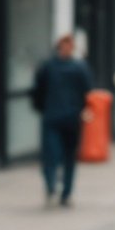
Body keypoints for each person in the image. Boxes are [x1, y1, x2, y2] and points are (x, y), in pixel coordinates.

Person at [29, 33, 93, 208]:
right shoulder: (48, 67)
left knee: (69, 157)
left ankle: (66, 192)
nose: (67, 48)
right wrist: (43, 109)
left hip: (71, 119)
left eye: (69, 45)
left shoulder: (79, 67)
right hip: (52, 118)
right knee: (52, 155)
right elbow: (38, 91)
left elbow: (88, 92)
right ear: (59, 47)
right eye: (64, 45)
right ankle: (51, 186)